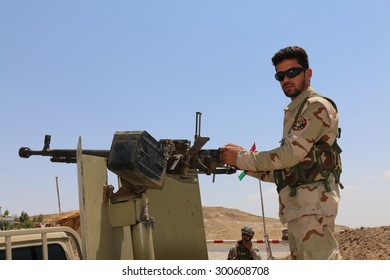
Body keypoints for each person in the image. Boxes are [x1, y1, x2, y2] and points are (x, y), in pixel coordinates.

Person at [220, 46, 343, 260]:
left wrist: (241, 157)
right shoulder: (294, 111)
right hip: (298, 209)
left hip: (313, 208)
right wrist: (241, 165)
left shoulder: (316, 106)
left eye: (292, 72)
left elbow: (289, 155)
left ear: (308, 73)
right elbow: (283, 170)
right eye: (280, 75)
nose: (286, 79)